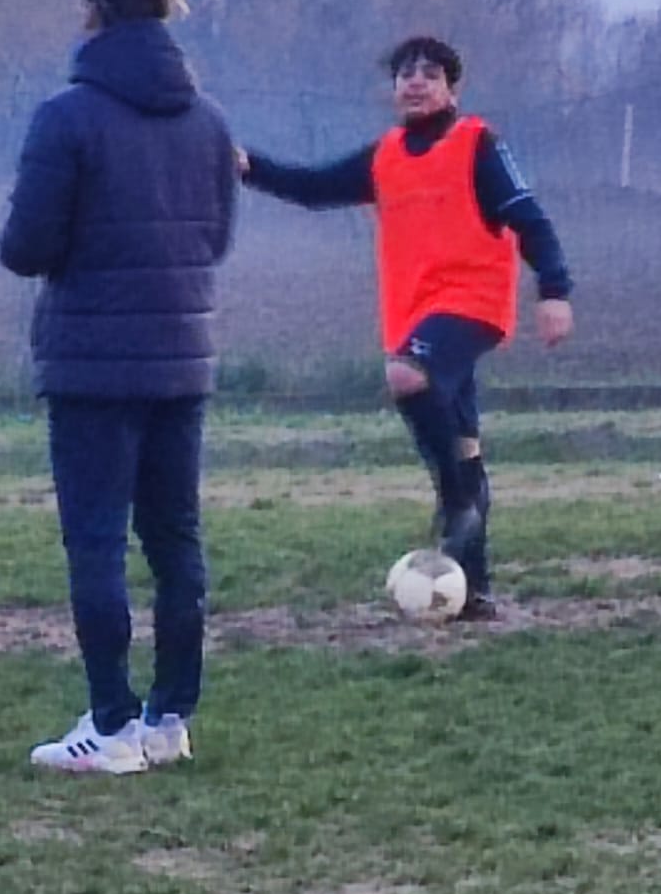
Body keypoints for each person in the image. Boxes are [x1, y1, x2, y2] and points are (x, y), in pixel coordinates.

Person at [238, 36, 575, 619]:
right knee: (464, 446)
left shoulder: (476, 144)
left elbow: (529, 219)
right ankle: (471, 589)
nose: (415, 82)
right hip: (413, 314)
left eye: (430, 73)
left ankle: (455, 501)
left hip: (471, 305)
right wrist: (247, 166)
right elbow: (312, 187)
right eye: (405, 74)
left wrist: (554, 290)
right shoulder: (385, 156)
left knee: (407, 375)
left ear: (452, 88)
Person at [0, 0, 238, 775]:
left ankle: (109, 725)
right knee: (176, 541)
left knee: (96, 543)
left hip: (92, 366)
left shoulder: (66, 118)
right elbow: (216, 240)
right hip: (183, 360)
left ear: (94, 13)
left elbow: (27, 246)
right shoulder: (209, 122)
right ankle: (169, 718)